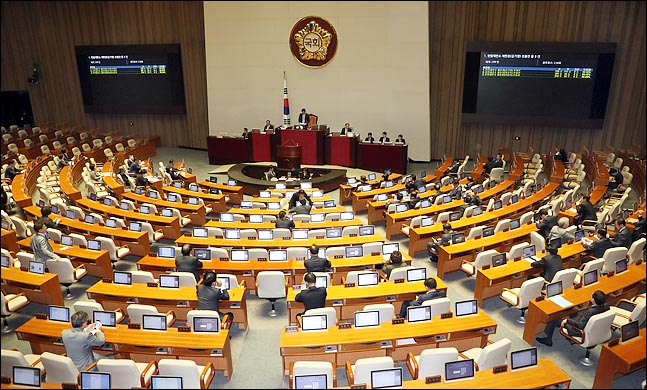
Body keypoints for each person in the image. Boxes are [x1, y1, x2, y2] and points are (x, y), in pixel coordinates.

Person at [536, 290, 608, 347]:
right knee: (573, 311)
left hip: (579, 330)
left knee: (553, 319)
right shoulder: (606, 306)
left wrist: (567, 320)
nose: (590, 295)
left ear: (593, 300)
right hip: (591, 326)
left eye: (592, 296)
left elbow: (580, 325)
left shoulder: (590, 312)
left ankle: (548, 340)